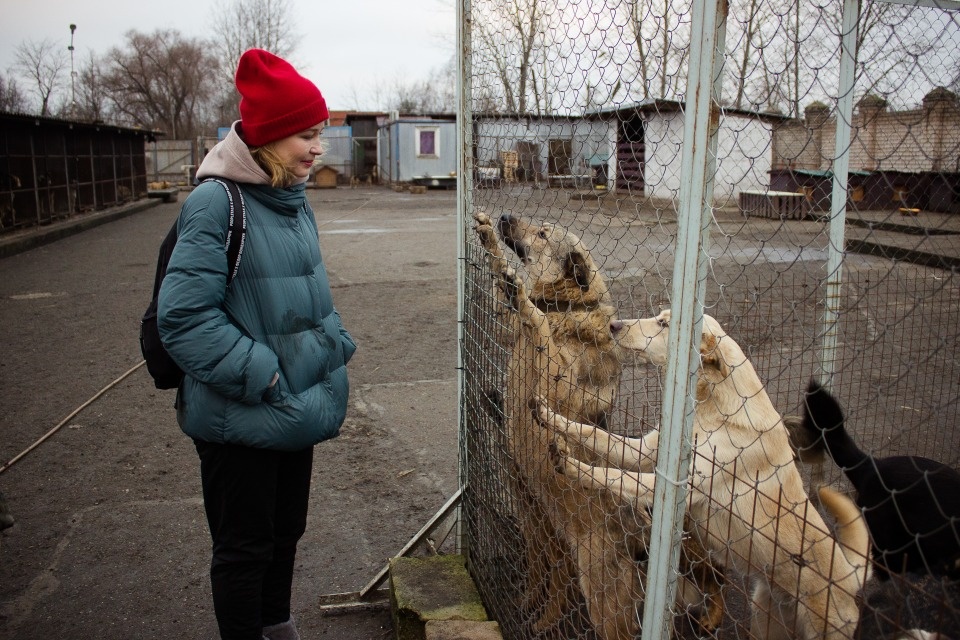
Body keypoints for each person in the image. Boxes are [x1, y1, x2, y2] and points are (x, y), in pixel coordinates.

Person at [157, 49, 356, 640]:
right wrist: (265, 373)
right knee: (244, 548)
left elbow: (305, 294)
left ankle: (278, 627)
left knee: (285, 532)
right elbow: (184, 318)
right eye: (307, 134)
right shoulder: (217, 203)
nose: (318, 147)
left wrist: (333, 343)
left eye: (320, 133)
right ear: (270, 136)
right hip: (240, 413)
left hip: (293, 404)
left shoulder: (291, 199)